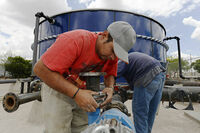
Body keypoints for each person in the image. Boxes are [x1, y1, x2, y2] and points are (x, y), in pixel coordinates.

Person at [33, 21, 136, 133]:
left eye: (117, 55)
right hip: (57, 88)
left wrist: (110, 88)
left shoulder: (111, 55)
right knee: (57, 129)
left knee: (84, 129)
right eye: (113, 51)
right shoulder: (76, 40)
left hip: (83, 91)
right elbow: (40, 69)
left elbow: (110, 73)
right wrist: (76, 94)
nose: (113, 57)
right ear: (105, 35)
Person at [117, 52, 166, 133]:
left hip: (147, 75)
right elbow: (135, 82)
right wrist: (128, 87)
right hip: (160, 75)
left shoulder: (122, 60)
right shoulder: (133, 59)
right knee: (150, 113)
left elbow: (114, 73)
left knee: (140, 113)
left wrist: (108, 87)